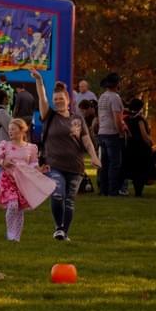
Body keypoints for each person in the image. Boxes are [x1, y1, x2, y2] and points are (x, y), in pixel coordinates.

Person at [30, 68, 100, 240]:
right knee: (57, 193)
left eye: (61, 98)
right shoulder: (49, 115)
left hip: (76, 167)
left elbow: (86, 140)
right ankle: (58, 227)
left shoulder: (77, 118)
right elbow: (42, 98)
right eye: (56, 99)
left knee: (69, 200)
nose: (58, 101)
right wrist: (39, 80)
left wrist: (94, 156)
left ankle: (63, 232)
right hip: (54, 165)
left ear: (68, 99)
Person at [0, 118, 43, 241]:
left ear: (22, 131)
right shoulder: (5, 145)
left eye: (13, 129)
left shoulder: (31, 148)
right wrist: (3, 162)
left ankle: (16, 236)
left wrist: (40, 170)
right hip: (7, 180)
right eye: (9, 129)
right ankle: (10, 232)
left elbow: (33, 164)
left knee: (20, 208)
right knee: (13, 204)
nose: (10, 131)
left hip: (23, 182)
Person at [96, 73, 127, 196]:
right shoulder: (115, 98)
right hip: (112, 133)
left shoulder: (102, 97)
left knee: (104, 163)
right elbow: (117, 118)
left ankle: (103, 189)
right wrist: (121, 132)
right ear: (117, 84)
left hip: (102, 132)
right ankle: (113, 190)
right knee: (115, 163)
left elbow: (99, 116)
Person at [123, 98, 152, 197]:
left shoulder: (127, 119)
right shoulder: (139, 119)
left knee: (133, 169)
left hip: (130, 146)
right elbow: (144, 135)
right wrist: (150, 143)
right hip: (140, 147)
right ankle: (138, 191)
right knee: (140, 170)